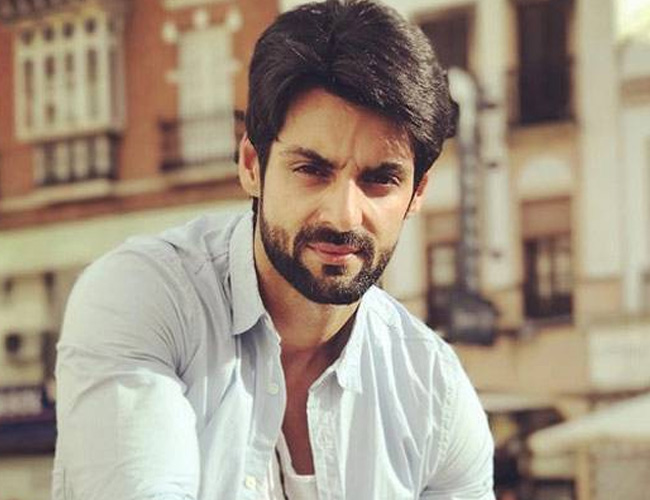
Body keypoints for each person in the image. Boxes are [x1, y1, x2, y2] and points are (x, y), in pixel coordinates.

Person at [52, 1, 495, 498]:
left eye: (380, 180)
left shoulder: (433, 390)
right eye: (312, 170)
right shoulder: (141, 298)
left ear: (417, 194)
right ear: (251, 165)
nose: (343, 216)